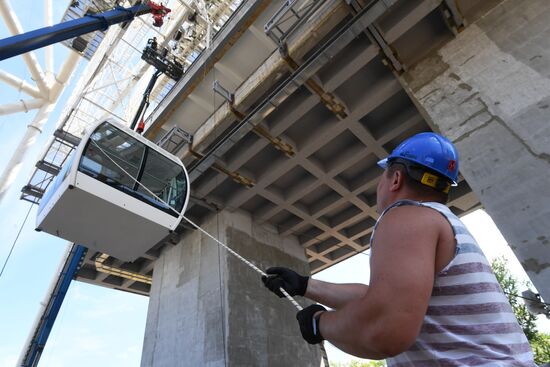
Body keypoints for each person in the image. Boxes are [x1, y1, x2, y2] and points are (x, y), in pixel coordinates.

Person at [262, 132, 535, 365]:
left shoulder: (404, 216)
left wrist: (319, 322)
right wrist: (304, 285)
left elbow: (385, 329)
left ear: (395, 179)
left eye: (383, 176)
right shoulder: (438, 221)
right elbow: (380, 299)